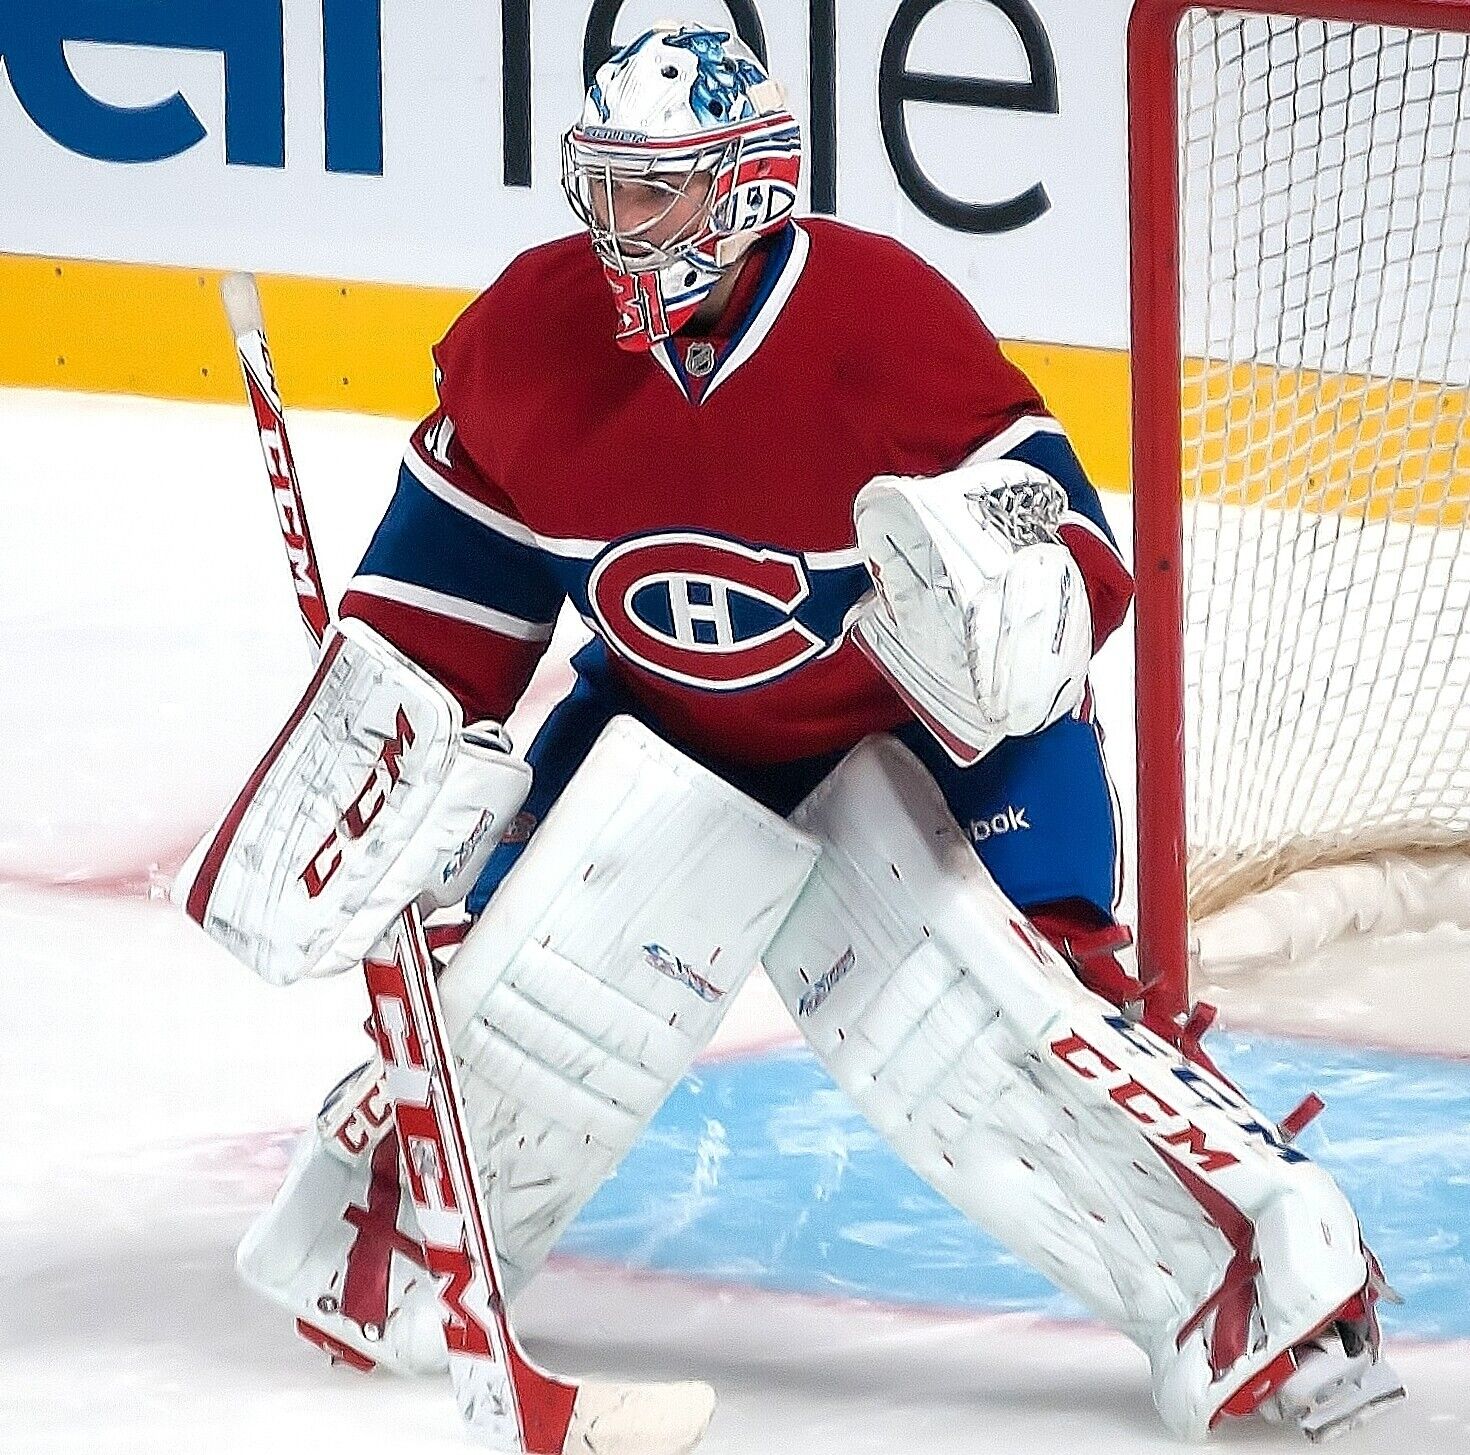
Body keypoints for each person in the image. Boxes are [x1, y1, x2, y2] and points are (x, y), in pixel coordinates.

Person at [180, 24, 1400, 1443]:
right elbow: (445, 600)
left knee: (1011, 1024)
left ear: (747, 188)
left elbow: (1068, 556)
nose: (615, 228)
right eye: (604, 187)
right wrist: (402, 760)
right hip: (663, 714)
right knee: (514, 994)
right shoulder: (528, 335)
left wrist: (989, 599)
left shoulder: (878, 328)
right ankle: (389, 1238)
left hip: (938, 739)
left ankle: (1273, 1287)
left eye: (655, 194)